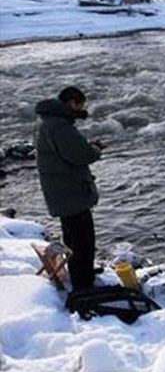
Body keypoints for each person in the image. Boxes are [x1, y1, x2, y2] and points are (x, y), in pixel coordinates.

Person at [35, 86, 106, 291]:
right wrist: (95, 149)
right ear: (72, 103)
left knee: (72, 236)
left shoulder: (47, 121)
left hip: (60, 190)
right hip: (71, 191)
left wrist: (85, 146)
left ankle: (81, 273)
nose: (81, 110)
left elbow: (68, 150)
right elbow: (81, 155)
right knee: (83, 239)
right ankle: (84, 283)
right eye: (80, 105)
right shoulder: (59, 126)